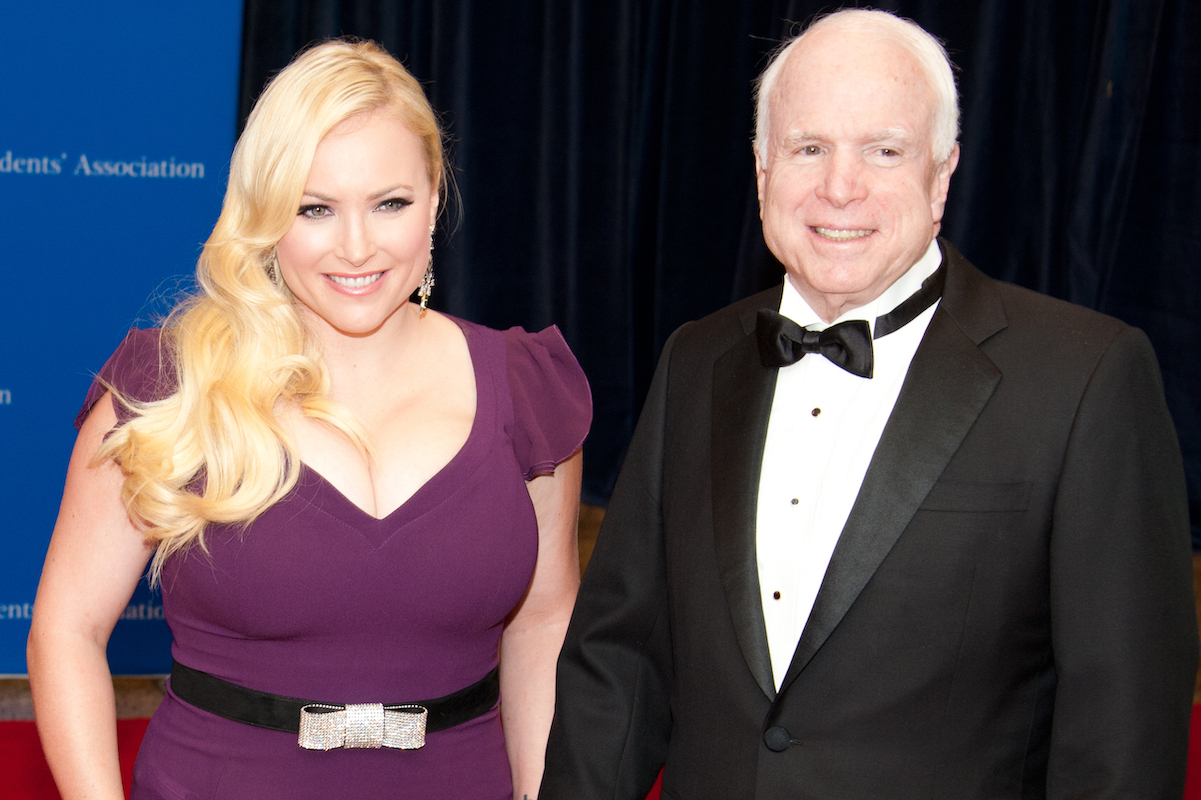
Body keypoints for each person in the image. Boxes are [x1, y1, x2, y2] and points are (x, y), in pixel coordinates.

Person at [541, 9, 1195, 799]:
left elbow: (1120, 731)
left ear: (941, 175)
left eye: (883, 151)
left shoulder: (1085, 378)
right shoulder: (695, 360)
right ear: (759, 170)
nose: (838, 186)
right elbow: (620, 662)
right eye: (807, 148)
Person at [27, 39, 590, 800]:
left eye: (389, 202)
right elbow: (67, 631)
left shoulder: (527, 391)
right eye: (314, 208)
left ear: (434, 197)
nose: (356, 246)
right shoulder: (168, 384)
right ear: (266, 216)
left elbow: (541, 628)